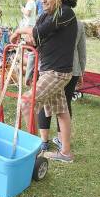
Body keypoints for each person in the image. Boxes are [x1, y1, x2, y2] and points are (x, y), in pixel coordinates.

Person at [10, 0, 77, 163]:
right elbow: (36, 38)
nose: (43, 0)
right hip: (49, 70)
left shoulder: (64, 12)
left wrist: (19, 30)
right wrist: (26, 38)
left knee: (25, 103)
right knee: (61, 110)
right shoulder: (45, 15)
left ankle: (31, 152)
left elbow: (37, 31)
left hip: (56, 72)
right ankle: (66, 153)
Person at [38, 19, 86, 151]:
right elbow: (82, 51)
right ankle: (60, 140)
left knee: (44, 101)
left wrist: (32, 70)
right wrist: (81, 71)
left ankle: (44, 141)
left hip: (49, 68)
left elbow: (38, 46)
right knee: (65, 104)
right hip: (72, 69)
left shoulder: (47, 21)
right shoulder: (78, 24)